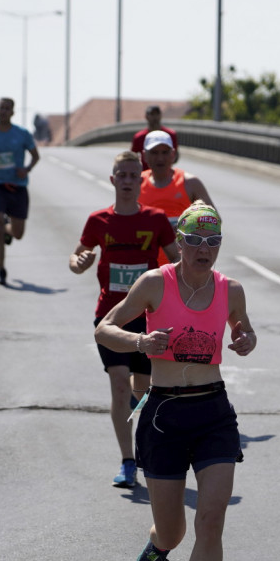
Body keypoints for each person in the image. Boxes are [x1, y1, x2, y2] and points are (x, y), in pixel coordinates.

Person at [94, 201, 256, 561]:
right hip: (164, 414)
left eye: (213, 240)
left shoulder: (232, 290)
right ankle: (157, 545)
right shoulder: (153, 284)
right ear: (180, 241)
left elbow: (245, 333)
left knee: (211, 520)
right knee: (175, 530)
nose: (204, 249)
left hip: (213, 413)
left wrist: (245, 340)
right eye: (196, 240)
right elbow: (105, 329)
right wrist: (141, 342)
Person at [70, 151, 179, 488]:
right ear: (113, 179)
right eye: (123, 175)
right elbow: (77, 255)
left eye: (135, 175)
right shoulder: (98, 220)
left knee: (141, 391)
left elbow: (177, 261)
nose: (129, 181)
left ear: (140, 180)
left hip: (148, 318)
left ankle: (143, 442)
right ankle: (128, 462)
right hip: (111, 317)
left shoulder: (156, 219)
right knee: (120, 386)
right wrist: (80, 262)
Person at [0, 97, 40, 285]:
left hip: (18, 187)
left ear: (12, 112)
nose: (3, 111)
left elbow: (36, 156)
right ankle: (1, 269)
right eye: (1, 108)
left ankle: (7, 229)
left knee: (18, 234)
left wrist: (26, 169)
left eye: (7, 109)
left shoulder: (22, 133)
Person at [140, 130, 213, 265]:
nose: (160, 158)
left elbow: (213, 222)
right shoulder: (136, 183)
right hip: (145, 267)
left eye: (165, 152)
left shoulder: (190, 183)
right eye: (154, 153)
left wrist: (185, 228)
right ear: (144, 156)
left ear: (173, 154)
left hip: (181, 268)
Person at [131, 104, 178, 170]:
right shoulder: (139, 137)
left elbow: (175, 157)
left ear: (161, 116)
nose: (155, 117)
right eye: (152, 114)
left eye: (157, 114)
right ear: (146, 116)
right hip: (144, 175)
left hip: (165, 176)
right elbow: (132, 159)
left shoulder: (170, 135)